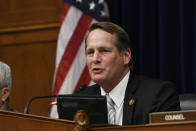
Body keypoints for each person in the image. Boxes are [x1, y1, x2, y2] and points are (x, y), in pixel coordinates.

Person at [76, 22, 180, 125]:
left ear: (126, 56)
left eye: (104, 51)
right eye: (90, 52)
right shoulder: (80, 100)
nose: (95, 59)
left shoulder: (159, 95)